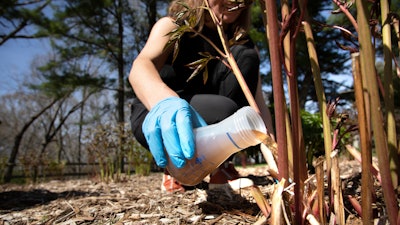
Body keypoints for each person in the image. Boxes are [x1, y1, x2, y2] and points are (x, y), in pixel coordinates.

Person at [129, 0, 274, 193]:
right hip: (157, 113)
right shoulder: (173, 25)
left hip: (217, 115)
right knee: (225, 111)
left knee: (244, 58)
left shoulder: (242, 42)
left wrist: (274, 155)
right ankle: (174, 169)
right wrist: (166, 102)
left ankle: (220, 168)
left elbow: (257, 105)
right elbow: (140, 66)